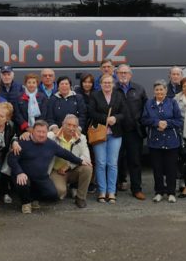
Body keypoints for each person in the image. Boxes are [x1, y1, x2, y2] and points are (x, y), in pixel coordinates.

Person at [8, 120, 82, 214]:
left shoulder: (50, 144)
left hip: (41, 178)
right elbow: (11, 159)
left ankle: (34, 198)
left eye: (44, 132)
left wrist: (81, 161)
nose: (41, 135)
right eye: (38, 131)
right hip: (23, 175)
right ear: (32, 131)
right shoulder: (22, 142)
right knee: (23, 182)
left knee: (52, 195)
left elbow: (65, 153)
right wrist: (19, 172)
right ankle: (26, 203)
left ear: (47, 132)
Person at [141, 80, 184, 203]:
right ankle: (159, 192)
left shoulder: (172, 103)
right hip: (155, 142)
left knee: (171, 168)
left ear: (166, 91)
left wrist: (167, 123)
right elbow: (144, 120)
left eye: (161, 89)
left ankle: (171, 192)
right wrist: (156, 123)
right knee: (157, 168)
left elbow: (179, 121)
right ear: (154, 91)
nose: (159, 92)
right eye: (157, 90)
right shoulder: (149, 103)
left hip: (171, 142)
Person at [88, 74, 126, 204]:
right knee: (100, 163)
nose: (107, 85)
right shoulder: (95, 95)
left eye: (110, 82)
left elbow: (124, 113)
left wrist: (116, 118)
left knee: (112, 163)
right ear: (101, 83)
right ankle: (102, 191)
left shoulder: (118, 95)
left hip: (115, 134)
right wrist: (106, 119)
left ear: (113, 84)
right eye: (105, 82)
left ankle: (111, 191)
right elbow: (91, 112)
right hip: (99, 133)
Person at [115, 64, 148, 200]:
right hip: (116, 131)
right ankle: (113, 189)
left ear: (130, 75)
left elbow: (146, 109)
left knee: (134, 161)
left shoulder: (139, 89)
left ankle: (136, 189)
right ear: (116, 74)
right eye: (121, 72)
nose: (123, 75)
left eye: (126, 73)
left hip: (134, 131)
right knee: (115, 161)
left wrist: (141, 123)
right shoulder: (112, 88)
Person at [48, 114, 92, 208]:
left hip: (73, 170)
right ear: (62, 124)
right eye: (68, 125)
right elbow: (39, 135)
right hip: (57, 171)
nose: (71, 128)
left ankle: (80, 198)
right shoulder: (52, 136)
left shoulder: (82, 138)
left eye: (74, 126)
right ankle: (65, 188)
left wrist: (69, 166)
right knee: (59, 193)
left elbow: (86, 157)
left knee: (87, 168)